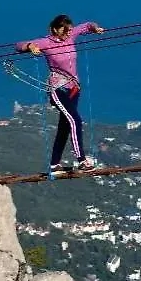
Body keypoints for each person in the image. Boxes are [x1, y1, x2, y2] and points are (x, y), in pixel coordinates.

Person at [15, 15, 105, 173]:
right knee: (75, 120)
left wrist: (94, 28)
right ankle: (82, 161)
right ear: (56, 30)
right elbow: (18, 45)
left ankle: (54, 164)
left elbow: (86, 25)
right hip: (58, 88)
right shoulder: (46, 42)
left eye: (70, 30)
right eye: (65, 30)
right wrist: (30, 46)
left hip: (74, 88)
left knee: (65, 126)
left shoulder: (70, 35)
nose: (69, 33)